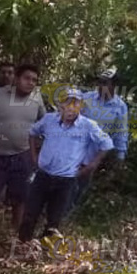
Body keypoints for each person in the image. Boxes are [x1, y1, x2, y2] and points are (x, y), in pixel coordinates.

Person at [18, 88, 114, 244]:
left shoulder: (88, 125)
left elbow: (107, 143)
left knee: (54, 220)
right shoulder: (49, 120)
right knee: (30, 214)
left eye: (75, 104)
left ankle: (43, 252)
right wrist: (34, 156)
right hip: (42, 176)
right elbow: (32, 132)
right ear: (61, 105)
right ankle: (22, 245)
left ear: (81, 107)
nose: (71, 108)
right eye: (67, 103)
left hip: (66, 180)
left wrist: (91, 165)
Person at [0, 64, 47, 233]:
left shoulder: (36, 97)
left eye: (34, 80)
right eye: (27, 78)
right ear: (16, 79)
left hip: (22, 154)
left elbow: (44, 121)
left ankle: (16, 231)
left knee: (21, 196)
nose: (31, 83)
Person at [72, 68, 129, 214]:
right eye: (99, 82)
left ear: (114, 86)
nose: (100, 86)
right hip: (72, 148)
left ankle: (67, 215)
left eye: (105, 83)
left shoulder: (120, 107)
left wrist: (120, 157)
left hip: (93, 155)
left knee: (79, 186)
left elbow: (120, 133)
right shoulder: (86, 98)